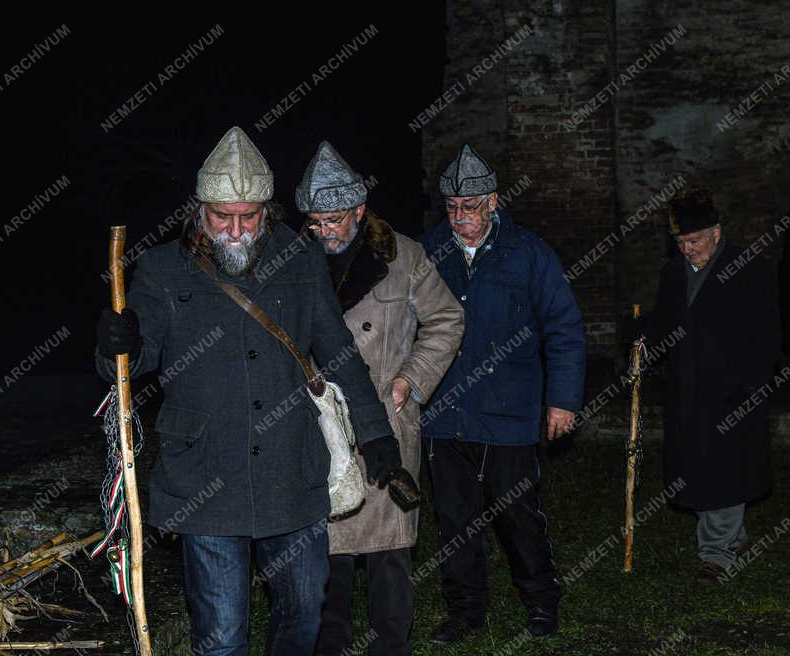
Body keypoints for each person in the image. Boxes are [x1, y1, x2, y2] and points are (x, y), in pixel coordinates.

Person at [94, 127, 395, 656]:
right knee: (222, 635)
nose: (235, 230)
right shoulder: (162, 268)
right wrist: (116, 342)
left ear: (268, 211)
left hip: (292, 472)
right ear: (199, 209)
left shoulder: (301, 261)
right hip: (205, 474)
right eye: (221, 217)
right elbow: (135, 361)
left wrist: (375, 432)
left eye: (248, 217)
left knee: (303, 615)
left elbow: (339, 351)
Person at [296, 142, 463, 656]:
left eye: (336, 220)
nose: (326, 232)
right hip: (321, 420)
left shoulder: (404, 255)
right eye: (317, 222)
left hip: (387, 420)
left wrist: (410, 380)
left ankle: (391, 645)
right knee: (330, 546)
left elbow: (447, 321)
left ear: (360, 210)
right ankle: (332, 643)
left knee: (389, 548)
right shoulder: (293, 260)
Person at [418, 145, 586, 641]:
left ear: (492, 201)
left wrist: (563, 399)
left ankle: (541, 604)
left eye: (469, 207)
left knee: (518, 517)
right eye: (451, 208)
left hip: (509, 413)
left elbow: (565, 328)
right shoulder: (428, 252)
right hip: (445, 415)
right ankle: (465, 611)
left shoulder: (529, 253)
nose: (460, 218)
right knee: (454, 520)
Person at [637, 187, 780, 585]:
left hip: (733, 391)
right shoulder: (673, 274)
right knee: (697, 468)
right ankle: (730, 535)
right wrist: (642, 343)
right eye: (681, 242)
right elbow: (664, 322)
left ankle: (715, 556)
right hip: (688, 391)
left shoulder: (748, 270)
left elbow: (767, 335)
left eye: (694, 241)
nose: (687, 249)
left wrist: (751, 385)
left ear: (716, 233)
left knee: (726, 469)